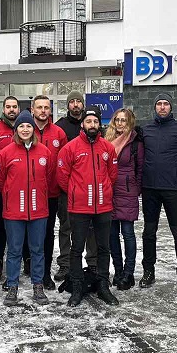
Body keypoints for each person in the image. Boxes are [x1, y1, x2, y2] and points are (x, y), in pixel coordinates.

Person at [57, 106, 119, 307]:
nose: (92, 125)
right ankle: (76, 286)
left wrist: (104, 191)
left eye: (95, 121)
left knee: (103, 247)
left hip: (102, 207)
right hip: (79, 208)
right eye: (88, 121)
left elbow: (113, 175)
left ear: (99, 123)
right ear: (82, 123)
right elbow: (63, 177)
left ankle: (102, 285)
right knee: (76, 249)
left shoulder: (107, 148)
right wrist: (77, 191)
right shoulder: (70, 147)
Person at [140, 93, 177, 294]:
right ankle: (148, 271)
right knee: (149, 232)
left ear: (171, 107)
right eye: (159, 104)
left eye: (166, 104)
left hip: (173, 189)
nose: (162, 107)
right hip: (149, 189)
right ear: (155, 107)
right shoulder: (145, 130)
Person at [0, 110, 54, 306]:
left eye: (28, 125)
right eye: (21, 126)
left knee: (37, 250)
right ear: (16, 130)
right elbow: (0, 179)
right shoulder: (6, 153)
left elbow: (49, 177)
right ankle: (12, 286)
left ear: (33, 129)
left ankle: (37, 286)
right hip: (14, 211)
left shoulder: (45, 153)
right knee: (14, 250)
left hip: (38, 210)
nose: (25, 129)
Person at [54, 90, 95, 281]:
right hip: (67, 190)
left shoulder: (91, 125)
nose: (76, 104)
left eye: (79, 101)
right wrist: (67, 186)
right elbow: (59, 162)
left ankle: (92, 264)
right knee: (66, 227)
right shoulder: (60, 127)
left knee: (89, 228)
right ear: (68, 105)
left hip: (89, 190)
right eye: (72, 102)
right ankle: (65, 264)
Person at [31, 95, 68, 289]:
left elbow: (63, 164)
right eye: (39, 107)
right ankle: (29, 269)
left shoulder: (59, 133)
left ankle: (45, 274)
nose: (43, 111)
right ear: (33, 110)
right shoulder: (25, 130)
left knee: (47, 234)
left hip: (52, 194)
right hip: (30, 193)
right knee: (26, 234)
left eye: (46, 107)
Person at [104, 108, 143, 290]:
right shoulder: (106, 141)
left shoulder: (135, 142)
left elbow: (140, 169)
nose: (120, 123)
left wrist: (135, 189)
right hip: (109, 192)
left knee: (128, 234)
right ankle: (118, 271)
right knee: (112, 235)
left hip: (127, 192)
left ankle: (129, 273)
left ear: (130, 122)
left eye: (124, 120)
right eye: (118, 120)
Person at [0, 96, 21, 281]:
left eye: (14, 106)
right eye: (8, 107)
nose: (11, 110)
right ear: (3, 109)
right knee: (0, 226)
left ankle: (28, 259)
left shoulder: (26, 127)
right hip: (1, 188)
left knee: (24, 224)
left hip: (23, 187)